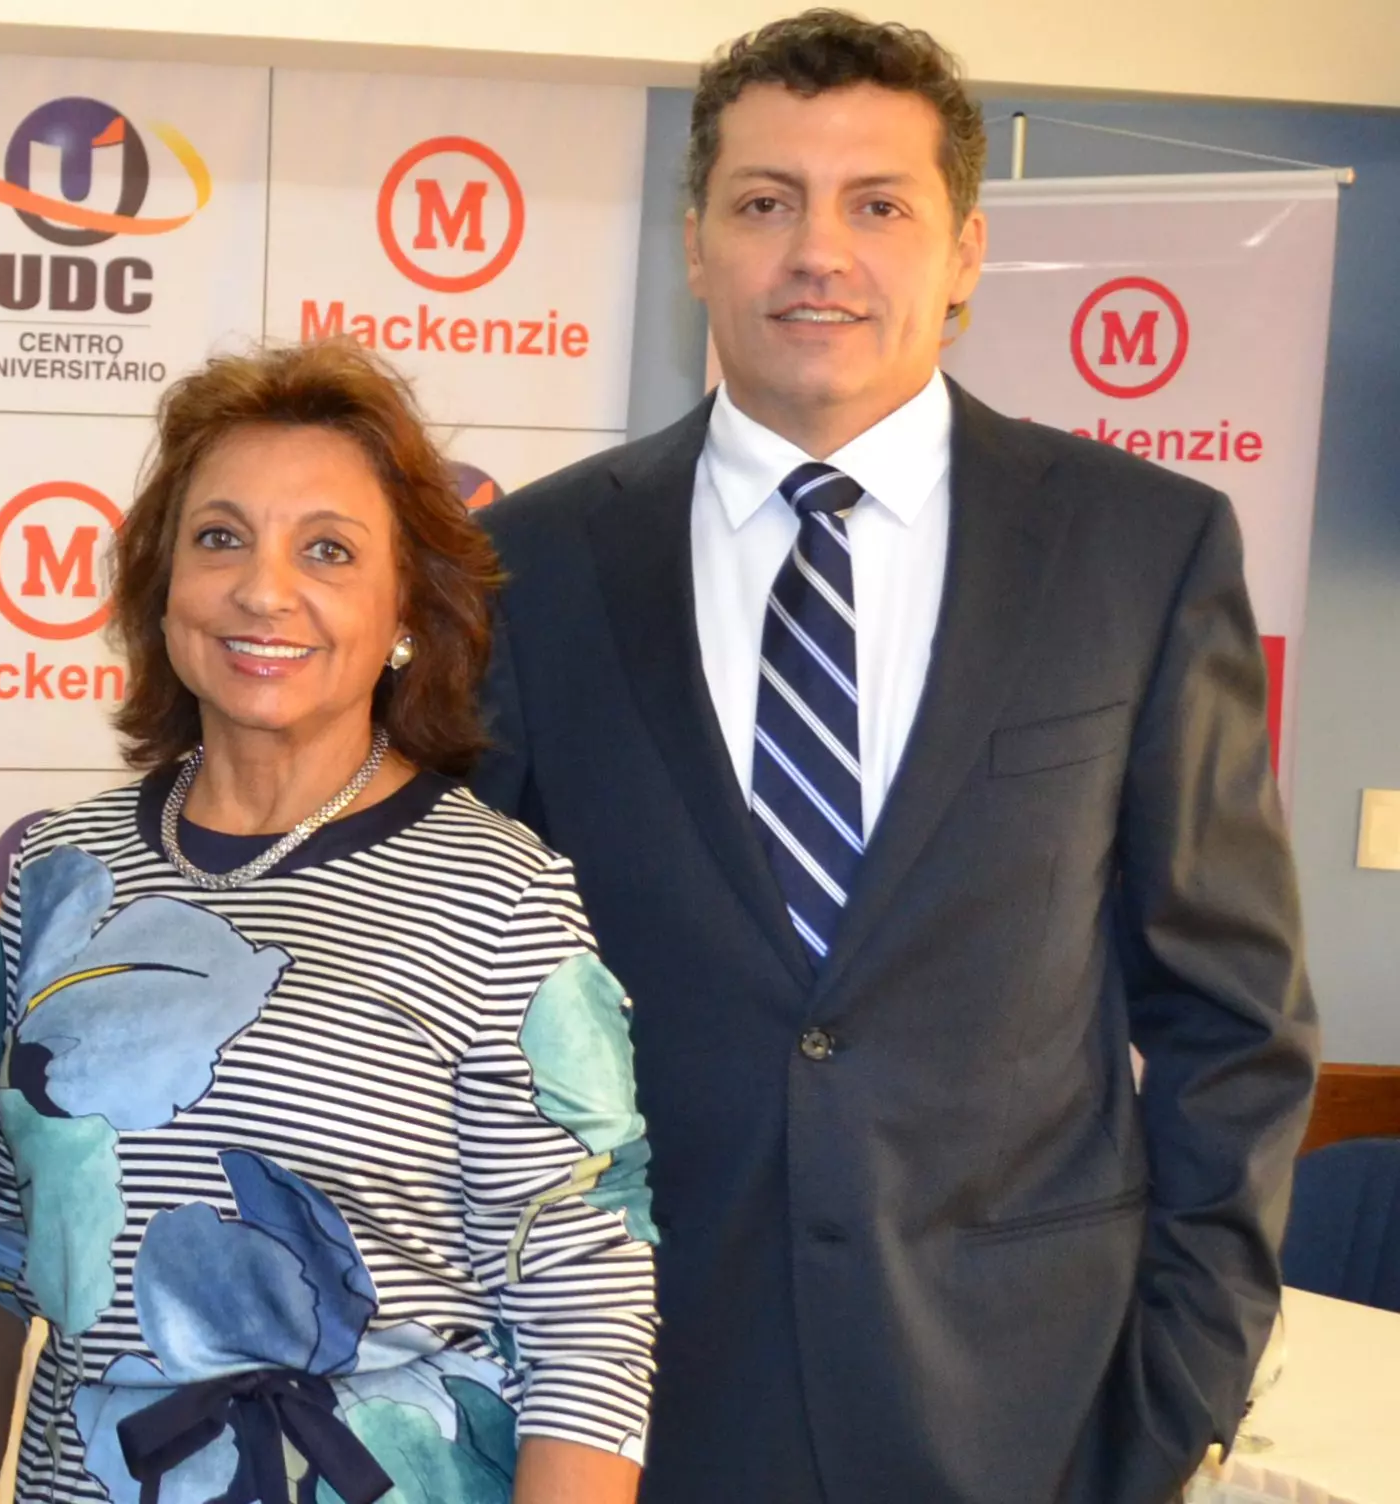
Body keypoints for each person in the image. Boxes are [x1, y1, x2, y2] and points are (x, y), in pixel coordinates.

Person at [470, 11, 1319, 1504]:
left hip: (1033, 1416)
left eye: (879, 205)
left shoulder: (1142, 549)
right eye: (765, 201)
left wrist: (1177, 1393)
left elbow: (1231, 1018)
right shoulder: (526, 569)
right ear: (694, 244)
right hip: (634, 1414)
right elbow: (461, 1005)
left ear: (966, 251)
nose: (819, 253)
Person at [0, 341, 656, 1504]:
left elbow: (587, 1320)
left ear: (404, 607)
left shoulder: (502, 894)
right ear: (162, 586)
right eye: (220, 537)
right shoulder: (64, 872)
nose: (264, 591)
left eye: (327, 549)